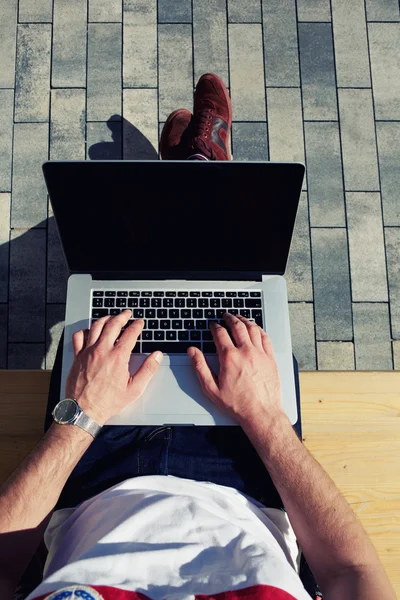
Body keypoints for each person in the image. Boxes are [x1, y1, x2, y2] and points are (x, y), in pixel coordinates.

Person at [0, 75, 395, 600]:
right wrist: (266, 418)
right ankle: (202, 170)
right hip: (248, 467)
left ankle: (187, 177)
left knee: (116, 301)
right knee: (241, 315)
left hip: (91, 467)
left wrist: (82, 415)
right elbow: (352, 573)